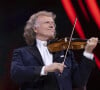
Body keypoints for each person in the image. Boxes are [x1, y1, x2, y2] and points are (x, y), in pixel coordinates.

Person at [10, 11, 98, 90]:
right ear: (35, 29)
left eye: (53, 23)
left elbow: (79, 83)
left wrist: (88, 53)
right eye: (47, 22)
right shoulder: (22, 52)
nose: (52, 26)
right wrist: (45, 69)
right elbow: (16, 74)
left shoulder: (65, 52)